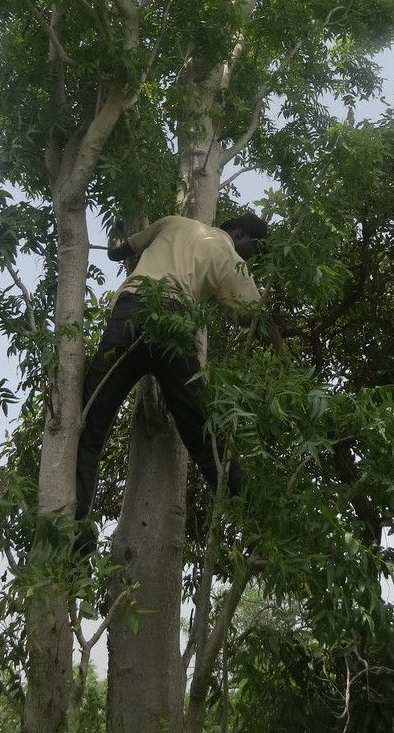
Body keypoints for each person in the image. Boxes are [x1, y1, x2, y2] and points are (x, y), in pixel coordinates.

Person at [74, 212, 269, 533]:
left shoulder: (174, 222)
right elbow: (254, 318)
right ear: (239, 234)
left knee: (89, 426)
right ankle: (256, 519)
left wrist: (114, 247)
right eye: (254, 248)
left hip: (129, 314)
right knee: (203, 437)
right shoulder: (230, 256)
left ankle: (75, 533)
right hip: (174, 328)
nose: (252, 256)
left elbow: (120, 250)